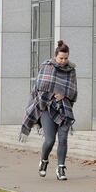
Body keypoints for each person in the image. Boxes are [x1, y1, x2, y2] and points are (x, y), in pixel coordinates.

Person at [20, 40, 77, 181]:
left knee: (63, 138)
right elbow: (40, 86)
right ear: (55, 56)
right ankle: (44, 160)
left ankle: (61, 168)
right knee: (50, 140)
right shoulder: (46, 67)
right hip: (46, 106)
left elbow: (73, 90)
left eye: (66, 58)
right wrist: (51, 94)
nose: (63, 61)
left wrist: (64, 94)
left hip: (64, 107)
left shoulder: (71, 70)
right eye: (61, 58)